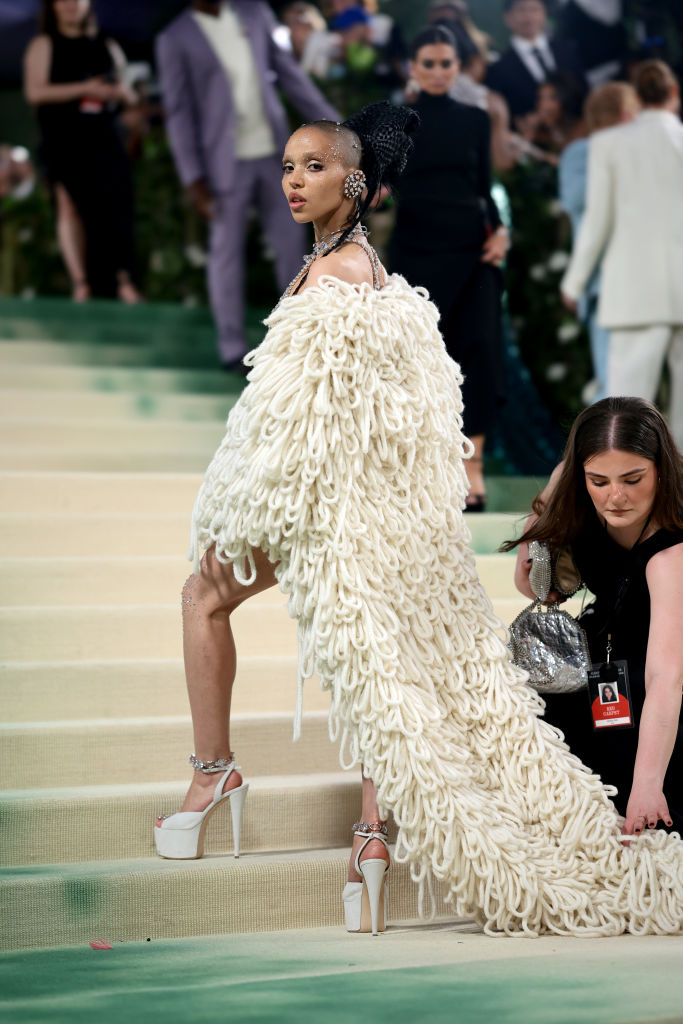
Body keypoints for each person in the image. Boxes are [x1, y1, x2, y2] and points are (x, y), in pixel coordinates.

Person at [152, 101, 683, 938]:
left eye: (314, 167)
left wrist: (251, 511)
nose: (294, 181)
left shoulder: (338, 276)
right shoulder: (362, 267)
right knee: (383, 667)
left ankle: (213, 774)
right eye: (288, 167)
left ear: (355, 182)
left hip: (325, 508)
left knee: (208, 599)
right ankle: (369, 841)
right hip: (367, 513)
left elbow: (302, 421)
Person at [506, 396, 683, 834]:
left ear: (662, 469)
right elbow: (533, 587)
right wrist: (552, 494)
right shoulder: (584, 501)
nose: (616, 496)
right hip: (604, 664)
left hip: (661, 688)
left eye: (633, 478)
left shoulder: (672, 554)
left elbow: (667, 677)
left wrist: (648, 783)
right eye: (598, 480)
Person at [155, 1, 338, 371]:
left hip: (275, 154)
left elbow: (291, 76)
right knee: (226, 253)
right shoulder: (174, 38)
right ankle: (232, 348)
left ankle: (297, 340)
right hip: (222, 162)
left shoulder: (255, 14)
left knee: (292, 245)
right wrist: (193, 176)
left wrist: (336, 128)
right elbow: (178, 112)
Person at [391, 26, 508, 510]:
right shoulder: (394, 122)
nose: (438, 72)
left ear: (459, 67)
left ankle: (471, 466)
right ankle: (420, 472)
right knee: (416, 362)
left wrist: (501, 230)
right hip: (416, 253)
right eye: (429, 63)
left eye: (447, 64)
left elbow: (484, 186)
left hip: (473, 250)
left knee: (480, 352)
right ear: (412, 67)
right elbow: (372, 186)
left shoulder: (477, 119)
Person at [560, 61, 683, 447]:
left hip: (635, 290)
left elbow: (599, 220)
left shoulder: (610, 144)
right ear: (674, 95)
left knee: (627, 410)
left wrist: (574, 281)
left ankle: (620, 500)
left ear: (637, 96)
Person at [23, 0, 142, 302]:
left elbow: (129, 91)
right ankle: (81, 283)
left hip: (104, 136)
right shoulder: (44, 43)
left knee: (116, 206)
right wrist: (84, 89)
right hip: (63, 139)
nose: (70, 5)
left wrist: (115, 93)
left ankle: (123, 279)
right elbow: (35, 92)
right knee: (69, 205)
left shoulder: (106, 44)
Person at [558, 81, 639, 402]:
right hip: (602, 282)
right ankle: (605, 451)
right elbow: (578, 201)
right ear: (623, 114)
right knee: (612, 382)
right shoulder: (580, 153)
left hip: (640, 279)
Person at [486, 0, 584, 125]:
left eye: (534, 9)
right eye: (521, 10)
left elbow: (583, 91)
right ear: (507, 17)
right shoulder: (498, 70)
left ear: (544, 13)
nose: (528, 16)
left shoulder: (568, 50)